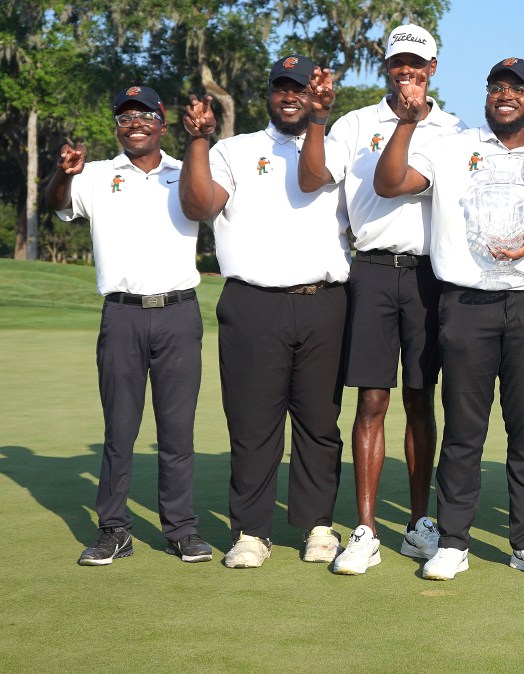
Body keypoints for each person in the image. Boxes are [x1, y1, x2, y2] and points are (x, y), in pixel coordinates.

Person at [373, 57, 524, 581]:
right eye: (496, 87)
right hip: (464, 304)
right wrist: (407, 123)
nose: (506, 95)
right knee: (463, 431)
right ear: (487, 96)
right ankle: (453, 541)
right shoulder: (452, 146)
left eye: (518, 88)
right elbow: (390, 183)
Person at [297, 24, 465, 575]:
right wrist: (317, 119)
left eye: (417, 64)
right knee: (372, 399)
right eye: (398, 63)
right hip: (369, 272)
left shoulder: (454, 130)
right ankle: (366, 528)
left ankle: (419, 523)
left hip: (427, 277)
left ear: (432, 69)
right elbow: (317, 177)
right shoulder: (355, 123)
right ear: (387, 66)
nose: (407, 72)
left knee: (421, 397)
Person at [180, 55, 351, 569]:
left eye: (299, 88)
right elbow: (199, 206)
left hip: (322, 301)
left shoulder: (335, 146)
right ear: (268, 96)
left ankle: (318, 527)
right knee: (253, 425)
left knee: (319, 424)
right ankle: (251, 532)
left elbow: (311, 177)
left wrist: (320, 119)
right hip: (252, 304)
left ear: (313, 95)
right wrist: (197, 142)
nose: (290, 96)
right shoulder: (234, 150)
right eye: (281, 88)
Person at [47, 86, 210, 566]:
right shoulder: (95, 174)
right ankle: (113, 530)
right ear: (116, 127)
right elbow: (56, 205)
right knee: (120, 431)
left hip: (179, 313)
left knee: (177, 432)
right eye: (124, 117)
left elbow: (209, 207)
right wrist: (63, 171)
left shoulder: (186, 172)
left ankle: (180, 529)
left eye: (143, 116)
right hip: (121, 314)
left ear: (162, 123)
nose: (133, 123)